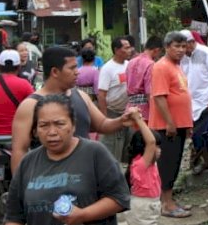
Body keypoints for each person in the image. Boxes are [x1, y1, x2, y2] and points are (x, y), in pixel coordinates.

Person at [0, 94, 131, 225]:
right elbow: (15, 213)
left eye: (59, 123)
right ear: (35, 130)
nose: (52, 132)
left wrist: (84, 214)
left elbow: (119, 198)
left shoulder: (95, 154)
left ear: (73, 125)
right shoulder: (28, 163)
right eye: (44, 125)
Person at [9, 46, 139, 175]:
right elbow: (19, 150)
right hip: (49, 179)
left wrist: (121, 121)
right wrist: (19, 189)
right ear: (55, 72)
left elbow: (102, 124)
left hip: (84, 175)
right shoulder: (30, 105)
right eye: (72, 68)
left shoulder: (81, 96)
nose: (77, 72)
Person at [150, 32, 194, 218]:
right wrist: (170, 122)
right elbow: (159, 97)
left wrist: (187, 123)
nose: (181, 50)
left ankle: (170, 200)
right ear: (167, 47)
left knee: (175, 164)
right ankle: (166, 204)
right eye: (176, 46)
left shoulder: (176, 66)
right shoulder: (161, 67)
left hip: (179, 124)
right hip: (167, 126)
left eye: (183, 46)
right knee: (167, 165)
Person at [180, 30, 208, 190]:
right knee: (197, 138)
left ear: (192, 42)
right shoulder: (182, 58)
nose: (182, 49)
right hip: (192, 104)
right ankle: (207, 162)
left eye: (184, 46)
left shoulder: (207, 53)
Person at [124, 115, 160, 225]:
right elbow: (151, 142)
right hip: (144, 208)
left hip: (145, 207)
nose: (158, 149)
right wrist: (138, 119)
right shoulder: (141, 163)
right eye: (156, 147)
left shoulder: (147, 164)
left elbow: (151, 141)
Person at [98, 36, 134, 162]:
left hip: (127, 112)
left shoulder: (129, 65)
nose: (130, 50)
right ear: (117, 50)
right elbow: (101, 94)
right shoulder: (108, 68)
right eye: (127, 47)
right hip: (112, 112)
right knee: (112, 148)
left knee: (128, 147)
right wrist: (105, 118)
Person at [126, 36, 163, 125]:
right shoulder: (151, 65)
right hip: (144, 111)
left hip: (130, 108)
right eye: (160, 53)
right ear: (156, 50)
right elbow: (149, 92)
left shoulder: (131, 62)